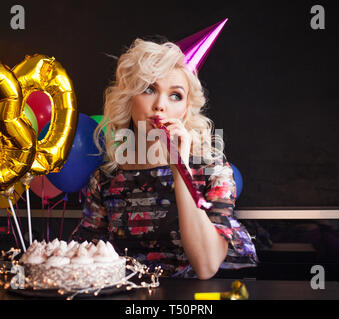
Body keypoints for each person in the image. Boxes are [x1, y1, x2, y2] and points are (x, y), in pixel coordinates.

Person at [71, 38, 257, 279]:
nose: (160, 105)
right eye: (149, 89)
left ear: (186, 108)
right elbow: (79, 260)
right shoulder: (106, 179)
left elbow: (206, 265)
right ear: (129, 99)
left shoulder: (213, 171)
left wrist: (180, 168)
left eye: (175, 96)